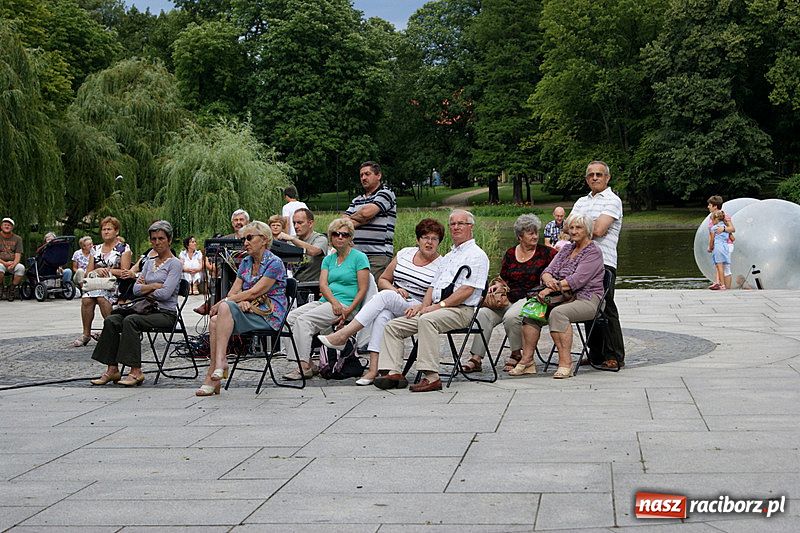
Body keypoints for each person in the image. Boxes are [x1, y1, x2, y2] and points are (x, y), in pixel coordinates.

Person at [373, 210, 489, 393]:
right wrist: (422, 306)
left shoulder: (476, 255)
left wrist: (437, 306)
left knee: (427, 320)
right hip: (437, 308)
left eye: (461, 223)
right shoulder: (450, 256)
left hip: (461, 310)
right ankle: (394, 372)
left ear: (470, 227)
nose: (456, 227)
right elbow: (432, 287)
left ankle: (432, 377)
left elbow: (467, 290)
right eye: (453, 224)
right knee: (393, 326)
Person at [318, 218, 445, 385]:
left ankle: (344, 334)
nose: (429, 242)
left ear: (439, 242)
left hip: (418, 306)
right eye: (425, 238)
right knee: (382, 315)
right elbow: (383, 280)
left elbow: (437, 297)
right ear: (418, 240)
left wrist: (419, 306)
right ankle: (374, 370)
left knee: (385, 297)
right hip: (396, 298)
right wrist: (395, 290)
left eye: (434, 239)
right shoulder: (405, 254)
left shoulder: (441, 264)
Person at [197, 221, 288, 396]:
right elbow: (234, 292)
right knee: (216, 319)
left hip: (269, 315)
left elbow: (254, 291)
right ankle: (216, 370)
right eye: (243, 239)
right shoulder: (246, 262)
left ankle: (218, 367)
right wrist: (238, 303)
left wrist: (230, 302)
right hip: (248, 311)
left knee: (222, 308)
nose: (245, 243)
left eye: (249, 238)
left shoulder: (274, 263)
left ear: (264, 239)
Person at [511, 213, 605, 379]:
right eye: (572, 227)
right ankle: (527, 362)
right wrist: (548, 281)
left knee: (558, 313)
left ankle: (565, 363)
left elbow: (577, 280)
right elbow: (547, 271)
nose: (574, 231)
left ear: (588, 230)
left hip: (588, 298)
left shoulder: (593, 252)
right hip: (562, 297)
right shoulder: (567, 248)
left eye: (579, 227)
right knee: (532, 311)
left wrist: (549, 289)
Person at [460, 214, 557, 374]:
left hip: (533, 299)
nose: (535, 236)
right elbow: (503, 278)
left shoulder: (547, 253)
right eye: (530, 233)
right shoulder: (511, 253)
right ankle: (476, 358)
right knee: (483, 314)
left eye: (536, 232)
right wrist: (497, 286)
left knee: (512, 316)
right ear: (520, 236)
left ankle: (517, 354)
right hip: (508, 298)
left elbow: (560, 271)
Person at [89, 220, 181, 387]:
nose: (157, 242)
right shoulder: (149, 262)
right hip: (145, 309)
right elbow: (136, 290)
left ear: (169, 240)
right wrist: (153, 286)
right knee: (112, 319)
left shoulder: (174, 264)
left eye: (161, 238)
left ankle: (136, 371)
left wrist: (147, 288)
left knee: (130, 321)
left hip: (165, 313)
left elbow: (166, 294)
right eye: (153, 239)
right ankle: (112, 369)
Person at [283, 218, 370, 380]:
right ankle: (308, 362)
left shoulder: (359, 258)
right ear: (331, 237)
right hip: (329, 302)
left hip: (347, 304)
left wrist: (348, 310)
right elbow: (323, 285)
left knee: (304, 321)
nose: (340, 237)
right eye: (336, 234)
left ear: (351, 237)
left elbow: (363, 289)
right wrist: (334, 302)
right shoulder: (329, 259)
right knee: (289, 319)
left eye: (345, 234)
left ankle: (302, 368)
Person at [570, 160, 625, 369]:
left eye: (599, 174)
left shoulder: (613, 200)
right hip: (581, 262)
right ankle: (595, 353)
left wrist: (578, 228)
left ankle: (614, 355)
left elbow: (600, 230)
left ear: (607, 178)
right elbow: (568, 228)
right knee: (587, 307)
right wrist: (578, 229)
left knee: (606, 307)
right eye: (591, 175)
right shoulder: (581, 202)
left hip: (604, 261)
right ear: (586, 179)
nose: (595, 178)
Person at [73, 217, 133, 347]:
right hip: (96, 282)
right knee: (87, 299)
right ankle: (86, 334)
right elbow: (88, 272)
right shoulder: (95, 249)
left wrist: (107, 270)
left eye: (109, 229)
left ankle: (113, 331)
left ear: (116, 231)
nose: (106, 232)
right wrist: (98, 270)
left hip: (115, 284)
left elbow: (125, 272)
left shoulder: (124, 248)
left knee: (101, 297)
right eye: (104, 229)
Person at [344, 161, 397, 280]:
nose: (363, 178)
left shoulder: (386, 194)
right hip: (356, 255)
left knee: (372, 292)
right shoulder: (357, 200)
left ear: (378, 176)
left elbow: (366, 213)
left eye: (367, 174)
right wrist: (363, 219)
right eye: (361, 175)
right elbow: (343, 223)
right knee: (356, 291)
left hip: (378, 255)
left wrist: (360, 217)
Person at [195, 209, 250, 315]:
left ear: (247, 222)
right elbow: (217, 260)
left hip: (248, 274)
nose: (238, 222)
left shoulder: (252, 238)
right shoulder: (225, 239)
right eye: (235, 220)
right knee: (220, 279)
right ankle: (215, 309)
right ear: (232, 223)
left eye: (241, 219)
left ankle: (210, 304)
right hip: (228, 274)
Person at [277, 208, 328, 283]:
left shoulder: (320, 239)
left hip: (314, 285)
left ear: (310, 223)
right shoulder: (291, 241)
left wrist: (292, 239)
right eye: (294, 223)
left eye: (300, 223)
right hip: (295, 283)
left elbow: (314, 251)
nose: (296, 226)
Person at [706, 195, 735, 289]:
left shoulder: (724, 216)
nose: (708, 207)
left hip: (726, 244)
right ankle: (718, 283)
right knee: (718, 265)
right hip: (718, 245)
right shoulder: (711, 218)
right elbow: (711, 234)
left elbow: (732, 229)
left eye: (709, 205)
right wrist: (710, 246)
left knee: (725, 268)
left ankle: (726, 288)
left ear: (715, 206)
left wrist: (723, 229)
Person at [1, 217, 25, 302]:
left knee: (21, 268)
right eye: (5, 224)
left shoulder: (18, 239)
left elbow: (18, 255)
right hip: (1, 262)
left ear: (12, 227)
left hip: (12, 262)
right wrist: (4, 263)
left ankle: (11, 289)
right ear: (1, 226)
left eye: (9, 225)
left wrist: (13, 264)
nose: (7, 226)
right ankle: (1, 288)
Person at [708, 211, 731, 291]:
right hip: (725, 247)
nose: (711, 222)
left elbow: (712, 240)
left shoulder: (714, 228)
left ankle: (722, 285)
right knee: (725, 267)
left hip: (718, 247)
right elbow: (732, 238)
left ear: (716, 219)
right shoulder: (726, 227)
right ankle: (724, 285)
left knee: (719, 267)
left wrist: (710, 248)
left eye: (712, 220)